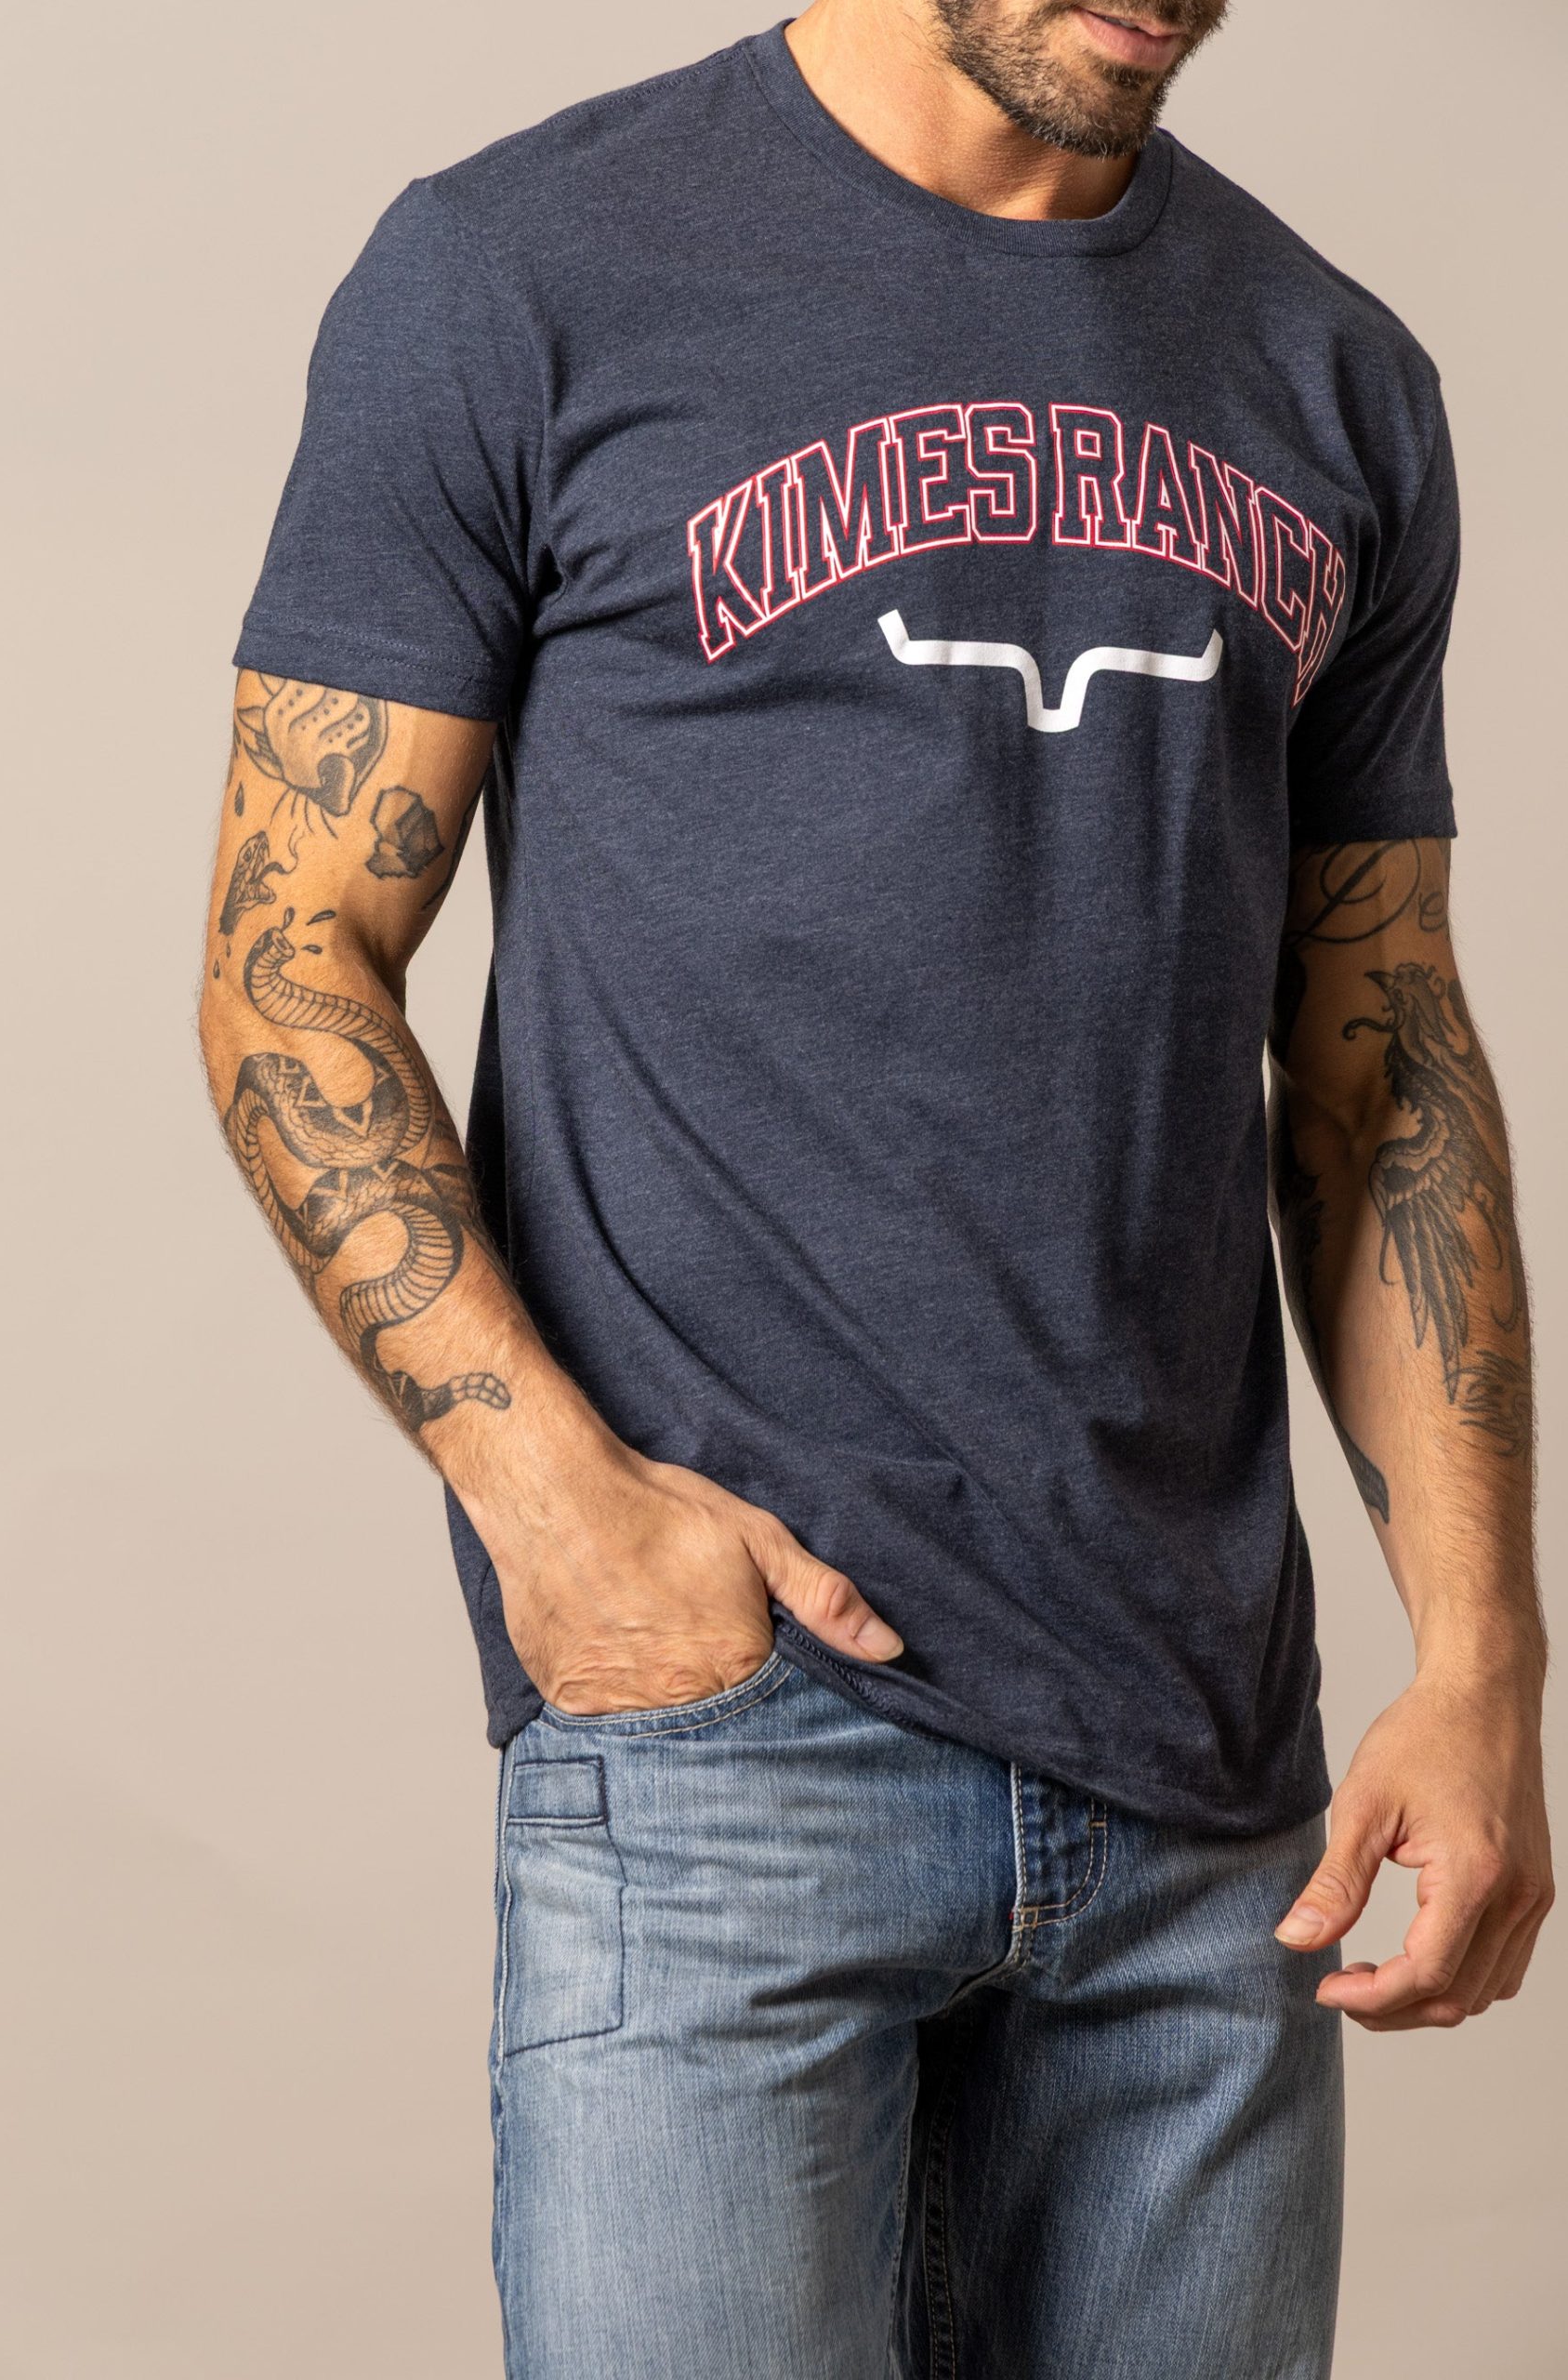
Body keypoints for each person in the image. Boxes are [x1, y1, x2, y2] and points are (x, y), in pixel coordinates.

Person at [199, 4, 1553, 2373]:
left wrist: (1479, 1664)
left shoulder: (1332, 373)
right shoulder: (518, 270)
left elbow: (1383, 1059)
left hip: (1206, 1800)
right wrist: (550, 1504)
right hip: (732, 1745)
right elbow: (286, 956)